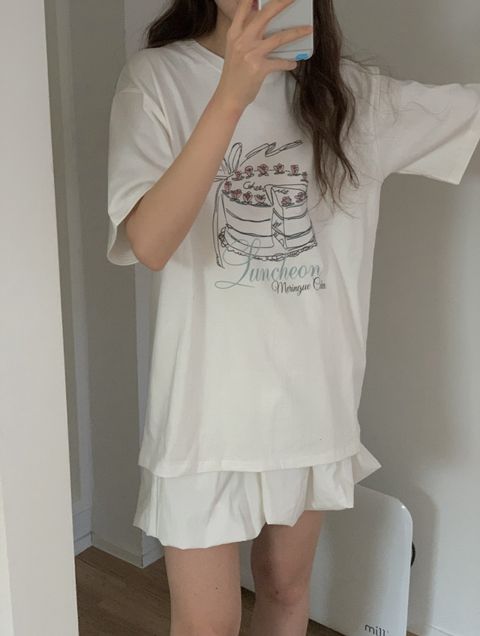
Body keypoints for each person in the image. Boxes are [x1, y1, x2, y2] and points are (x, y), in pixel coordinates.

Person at [106, 0, 480, 634]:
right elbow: (149, 243)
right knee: (206, 624)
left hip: (312, 406)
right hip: (204, 416)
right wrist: (231, 95)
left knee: (285, 588)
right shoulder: (157, 80)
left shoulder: (351, 96)